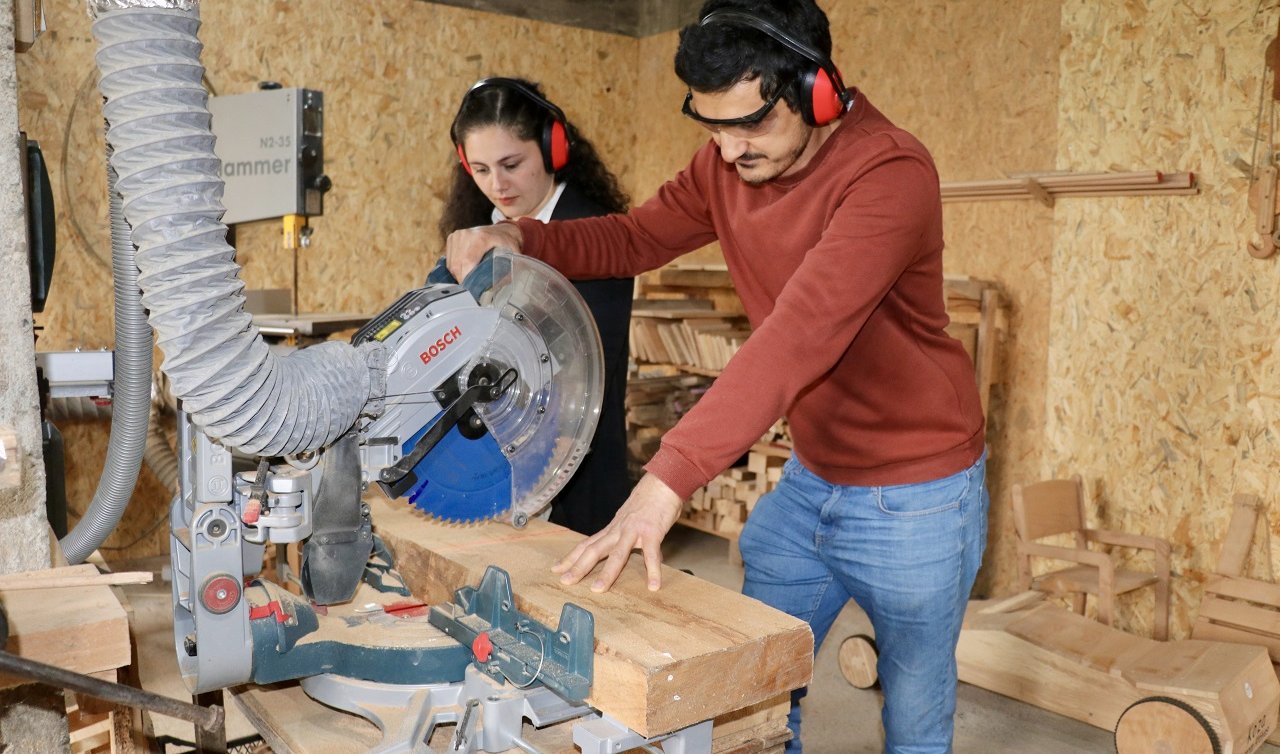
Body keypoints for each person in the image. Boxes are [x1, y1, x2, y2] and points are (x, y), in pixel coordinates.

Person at [443, 3, 988, 752]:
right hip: (815, 476)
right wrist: (520, 235)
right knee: (748, 697)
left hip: (919, 493)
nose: (729, 152)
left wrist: (663, 485)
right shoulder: (726, 163)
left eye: (750, 125)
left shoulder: (889, 173)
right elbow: (635, 236)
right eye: (713, 128)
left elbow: (798, 336)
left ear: (816, 91)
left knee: (916, 711)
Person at [434, 77, 634, 536]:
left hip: (572, 482)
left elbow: (575, 380)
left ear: (552, 148)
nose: (497, 185)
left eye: (511, 164)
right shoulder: (480, 232)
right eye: (481, 170)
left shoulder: (594, 236)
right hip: (493, 471)